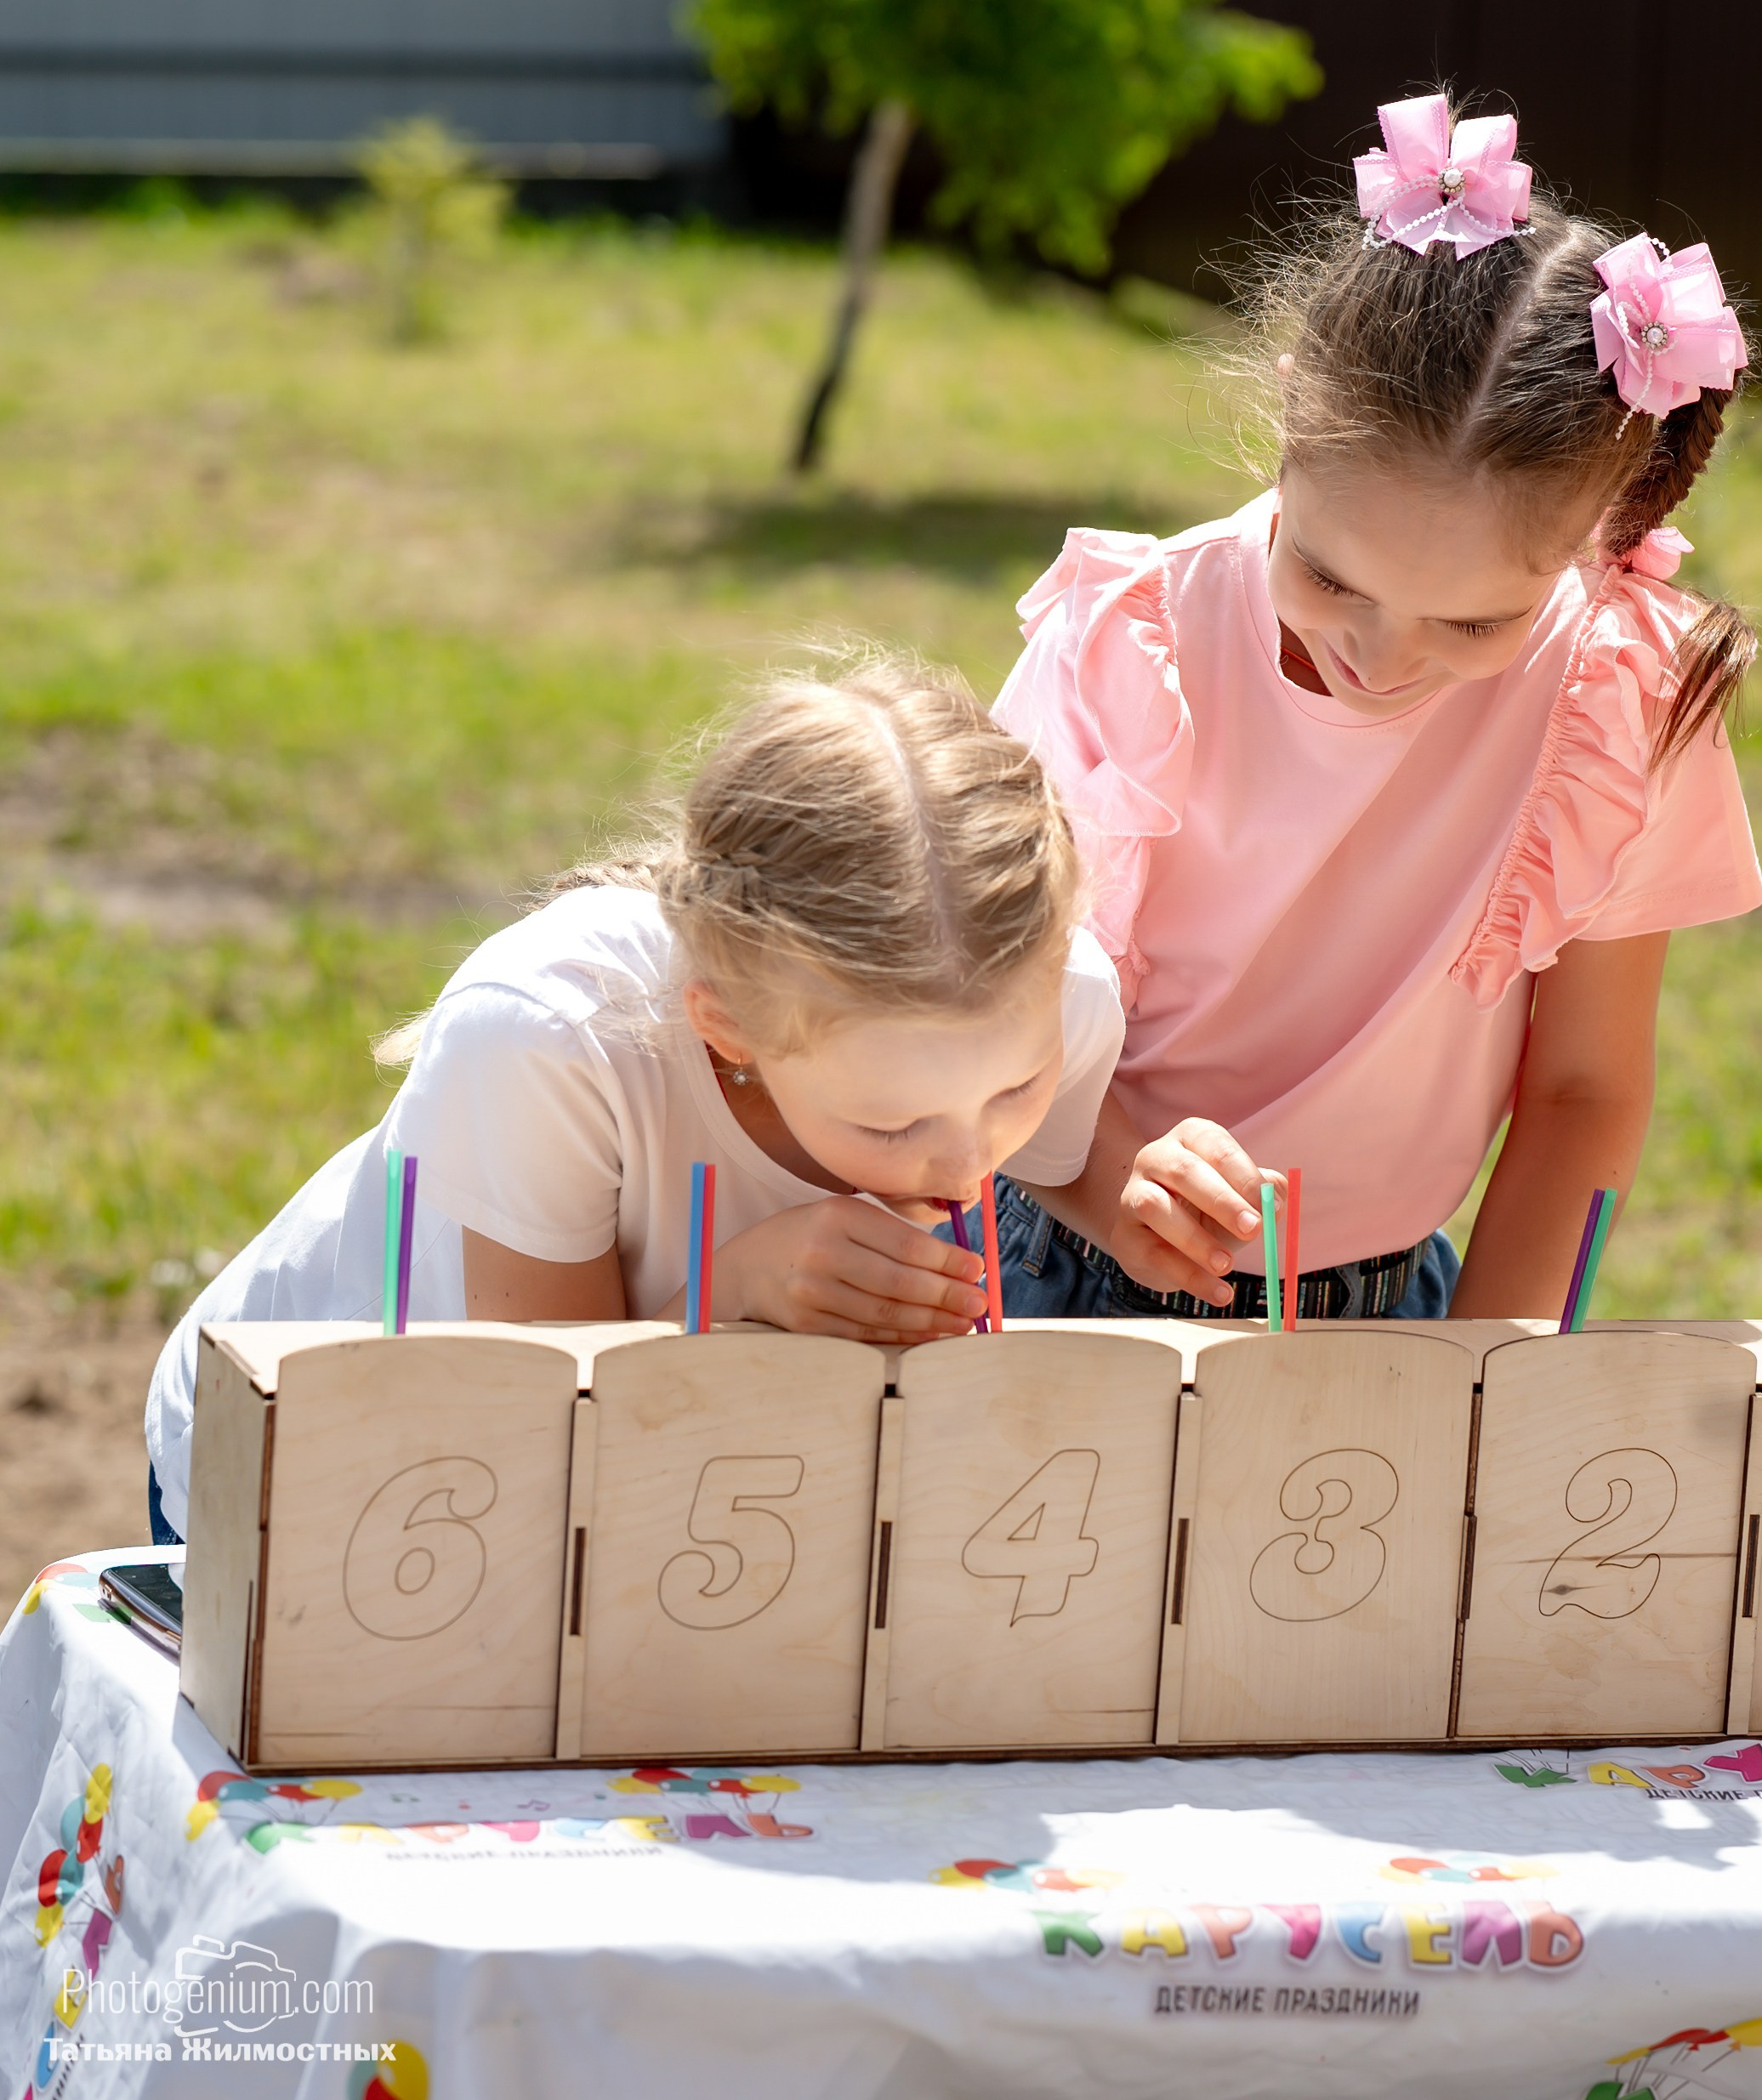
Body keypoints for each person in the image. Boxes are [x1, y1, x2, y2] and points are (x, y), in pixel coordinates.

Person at [992, 92, 1762, 1326]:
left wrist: (1482, 1382)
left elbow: (1582, 1091)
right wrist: (1106, 1183)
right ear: (1289, 428)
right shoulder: (1129, 647)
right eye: (1330, 577)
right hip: (1054, 1272)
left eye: (1472, 624)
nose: (1379, 658)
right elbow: (980, 1004)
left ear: (1600, 536)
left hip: (1392, 1311)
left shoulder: (1620, 698)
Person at [145, 658, 1124, 1541]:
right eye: (889, 1124)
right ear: (726, 1027)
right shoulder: (546, 1036)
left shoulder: (1047, 991)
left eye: (1017, 1091)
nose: (965, 1165)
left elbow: (1073, 1172)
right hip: (326, 1474)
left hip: (694, 1484)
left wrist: (1144, 1194)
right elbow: (543, 1430)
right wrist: (729, 1289)